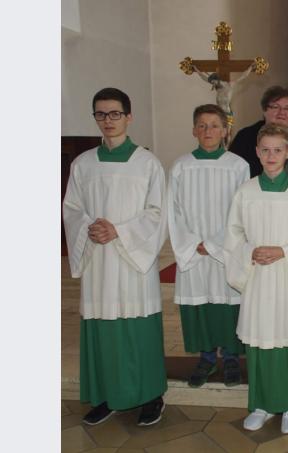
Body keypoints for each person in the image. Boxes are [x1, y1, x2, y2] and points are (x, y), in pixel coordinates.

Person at [63, 87, 167, 426]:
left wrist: (119, 229)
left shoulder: (147, 164)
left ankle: (150, 396)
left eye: (115, 114)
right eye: (101, 114)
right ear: (95, 117)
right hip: (99, 260)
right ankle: (107, 396)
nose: (108, 121)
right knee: (103, 328)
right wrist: (89, 229)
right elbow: (71, 209)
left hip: (133, 260)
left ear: (129, 116)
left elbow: (157, 213)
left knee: (139, 329)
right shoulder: (83, 164)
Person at [224, 124, 288, 433]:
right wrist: (250, 251)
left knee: (287, 341)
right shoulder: (245, 191)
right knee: (260, 341)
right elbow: (233, 234)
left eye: (278, 149)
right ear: (257, 152)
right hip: (257, 278)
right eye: (266, 149)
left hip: (287, 279)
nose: (271, 155)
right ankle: (262, 402)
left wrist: (284, 251)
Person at [167, 104, 250, 388]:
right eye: (201, 125)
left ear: (226, 130)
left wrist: (215, 244)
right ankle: (205, 357)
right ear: (193, 130)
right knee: (200, 303)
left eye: (214, 125)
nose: (208, 131)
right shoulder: (181, 166)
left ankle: (229, 357)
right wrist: (192, 244)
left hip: (224, 249)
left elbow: (240, 211)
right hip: (193, 249)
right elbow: (173, 210)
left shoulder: (238, 166)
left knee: (225, 303)